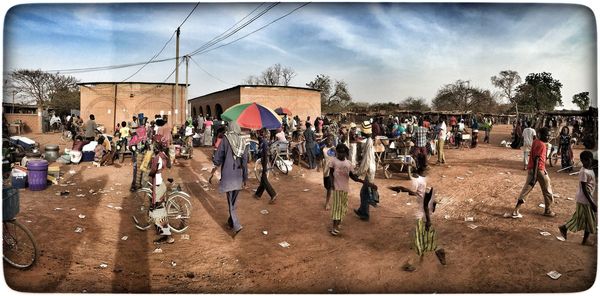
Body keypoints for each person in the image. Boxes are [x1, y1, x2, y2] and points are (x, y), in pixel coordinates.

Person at [389, 170, 446, 271]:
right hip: (423, 219)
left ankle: (411, 263)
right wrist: (401, 189)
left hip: (422, 219)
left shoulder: (425, 191)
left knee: (418, 241)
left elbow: (425, 205)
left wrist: (428, 220)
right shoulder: (424, 189)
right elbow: (417, 195)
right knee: (423, 240)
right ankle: (437, 251)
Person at [329, 143, 376, 236]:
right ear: (337, 152)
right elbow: (330, 174)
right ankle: (334, 227)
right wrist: (331, 184)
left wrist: (367, 183)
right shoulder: (333, 161)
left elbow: (353, 177)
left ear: (346, 153)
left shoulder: (348, 164)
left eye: (343, 152)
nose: (341, 154)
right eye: (339, 152)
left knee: (343, 208)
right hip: (337, 188)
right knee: (336, 209)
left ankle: (338, 224)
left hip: (345, 189)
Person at [509, 127, 555, 218]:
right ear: (540, 135)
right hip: (539, 170)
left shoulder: (536, 142)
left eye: (549, 135)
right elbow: (537, 159)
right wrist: (535, 176)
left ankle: (516, 209)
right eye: (547, 135)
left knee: (526, 189)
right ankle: (548, 210)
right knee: (547, 190)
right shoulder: (542, 145)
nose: (549, 137)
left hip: (532, 169)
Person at [213, 121, 249, 236]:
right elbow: (245, 162)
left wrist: (216, 162)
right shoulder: (242, 142)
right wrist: (245, 178)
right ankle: (230, 222)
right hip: (238, 175)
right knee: (233, 200)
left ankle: (237, 225)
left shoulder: (226, 139)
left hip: (228, 174)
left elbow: (218, 156)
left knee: (230, 202)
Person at [558, 151, 597, 245]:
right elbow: (584, 189)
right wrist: (592, 203)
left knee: (579, 218)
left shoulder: (590, 168)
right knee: (589, 220)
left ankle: (565, 228)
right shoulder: (583, 172)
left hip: (585, 199)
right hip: (584, 199)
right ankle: (584, 240)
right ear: (582, 161)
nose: (587, 162)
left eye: (589, 160)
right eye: (585, 161)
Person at [148, 139, 174, 244]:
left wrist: (149, 174)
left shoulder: (157, 157)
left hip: (158, 185)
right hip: (162, 184)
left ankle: (167, 236)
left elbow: (153, 171)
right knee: (159, 210)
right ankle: (164, 234)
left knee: (158, 212)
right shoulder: (165, 156)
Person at [254, 128, 277, 203]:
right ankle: (257, 194)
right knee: (263, 180)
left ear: (264, 134)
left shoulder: (264, 142)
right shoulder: (262, 141)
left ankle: (273, 194)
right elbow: (259, 140)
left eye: (261, 132)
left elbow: (265, 154)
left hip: (264, 162)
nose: (260, 134)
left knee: (264, 179)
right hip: (263, 161)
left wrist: (264, 167)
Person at [322, 134, 336, 210]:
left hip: (333, 171)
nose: (330, 141)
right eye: (328, 140)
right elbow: (321, 158)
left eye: (331, 140)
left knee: (329, 188)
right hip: (326, 170)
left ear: (333, 141)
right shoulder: (323, 149)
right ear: (326, 140)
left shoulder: (335, 149)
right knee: (327, 186)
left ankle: (327, 203)